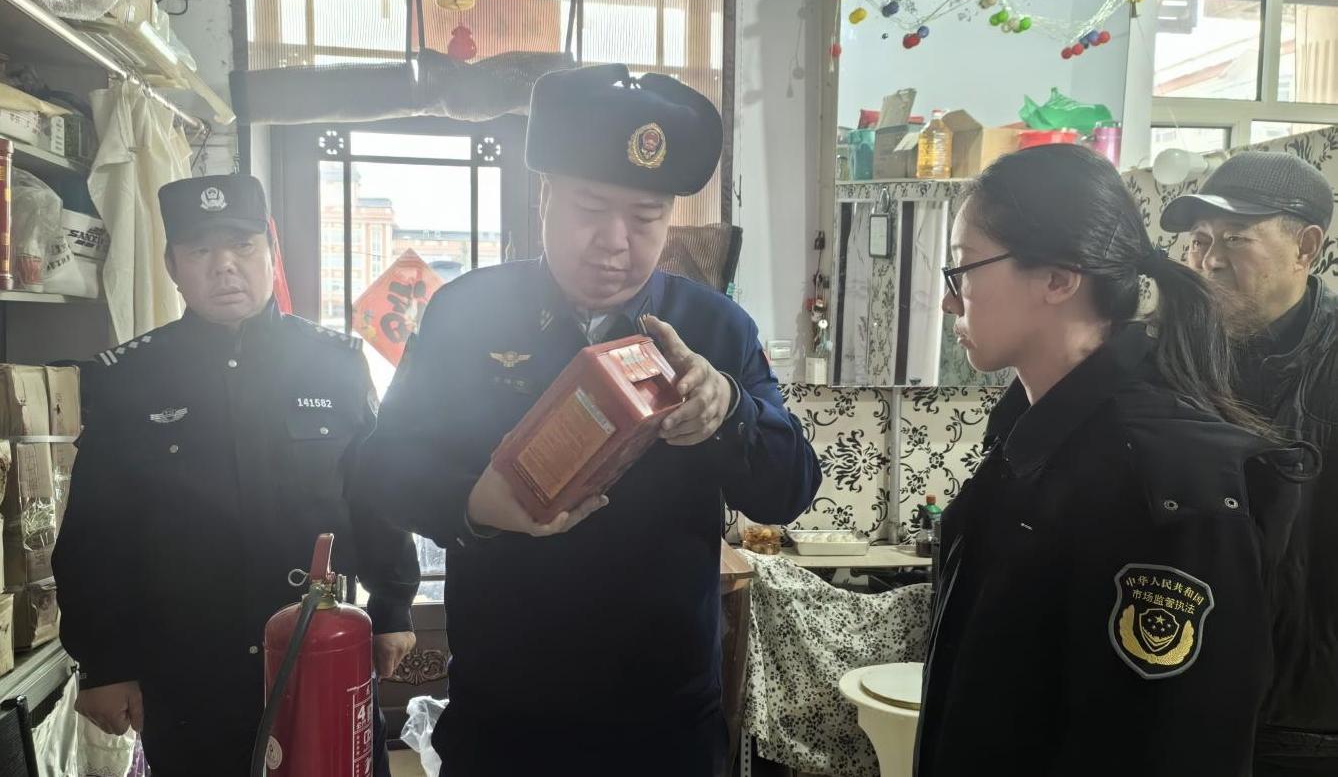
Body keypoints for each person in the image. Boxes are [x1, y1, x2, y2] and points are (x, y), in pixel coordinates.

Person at [355, 63, 823, 777]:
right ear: (544, 195)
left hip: (663, 725)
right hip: (507, 717)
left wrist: (729, 410)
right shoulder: (467, 312)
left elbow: (790, 490)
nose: (615, 241)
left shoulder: (715, 326)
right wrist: (473, 504)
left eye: (646, 217)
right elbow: (383, 468)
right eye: (590, 207)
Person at [915, 145, 1315, 777]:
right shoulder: (1029, 441)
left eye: (962, 269)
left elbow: (1175, 744)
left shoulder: (1165, 480)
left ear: (1059, 279)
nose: (949, 301)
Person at [52, 174, 421, 777]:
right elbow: (96, 531)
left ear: (271, 252)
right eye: (201, 250)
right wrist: (104, 663)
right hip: (190, 670)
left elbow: (375, 496)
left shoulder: (334, 363)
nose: (224, 266)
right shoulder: (128, 378)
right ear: (173, 266)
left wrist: (394, 606)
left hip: (321, 650)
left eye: (243, 246)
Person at [1160, 151, 1338, 775]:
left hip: (1309, 718)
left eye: (1236, 237)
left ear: (1306, 247)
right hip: (1178, 692)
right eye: (1200, 240)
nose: (1210, 260)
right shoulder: (1170, 359)